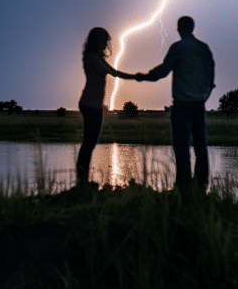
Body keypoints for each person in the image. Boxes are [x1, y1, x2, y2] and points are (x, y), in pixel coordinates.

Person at [136, 16, 215, 191]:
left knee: (182, 147)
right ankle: (201, 186)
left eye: (178, 26)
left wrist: (144, 76)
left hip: (182, 104)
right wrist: (203, 96)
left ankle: (183, 187)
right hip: (199, 103)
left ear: (180, 28)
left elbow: (163, 71)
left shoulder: (178, 47)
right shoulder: (204, 48)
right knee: (201, 146)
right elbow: (211, 78)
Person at [76, 27, 140, 186]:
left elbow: (113, 72)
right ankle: (81, 181)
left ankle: (82, 181)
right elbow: (114, 73)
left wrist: (135, 77)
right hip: (90, 104)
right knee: (88, 144)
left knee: (89, 144)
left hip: (95, 105)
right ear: (97, 41)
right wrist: (137, 77)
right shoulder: (91, 58)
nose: (106, 44)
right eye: (104, 41)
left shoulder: (96, 57)